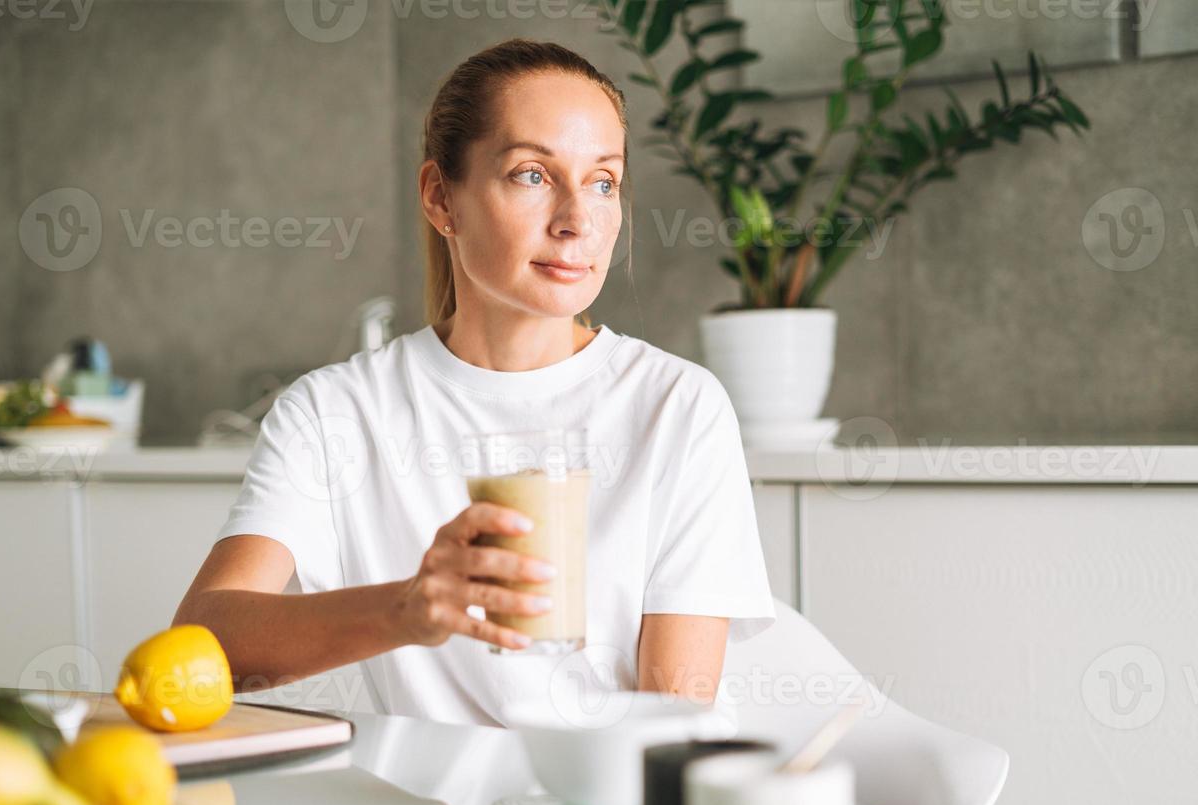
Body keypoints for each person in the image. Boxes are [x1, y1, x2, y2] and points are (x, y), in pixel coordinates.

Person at [174, 38, 775, 726]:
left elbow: (675, 717)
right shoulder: (333, 412)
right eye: (532, 174)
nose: (578, 219)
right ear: (440, 198)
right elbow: (199, 648)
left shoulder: (675, 406)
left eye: (603, 181)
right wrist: (404, 610)